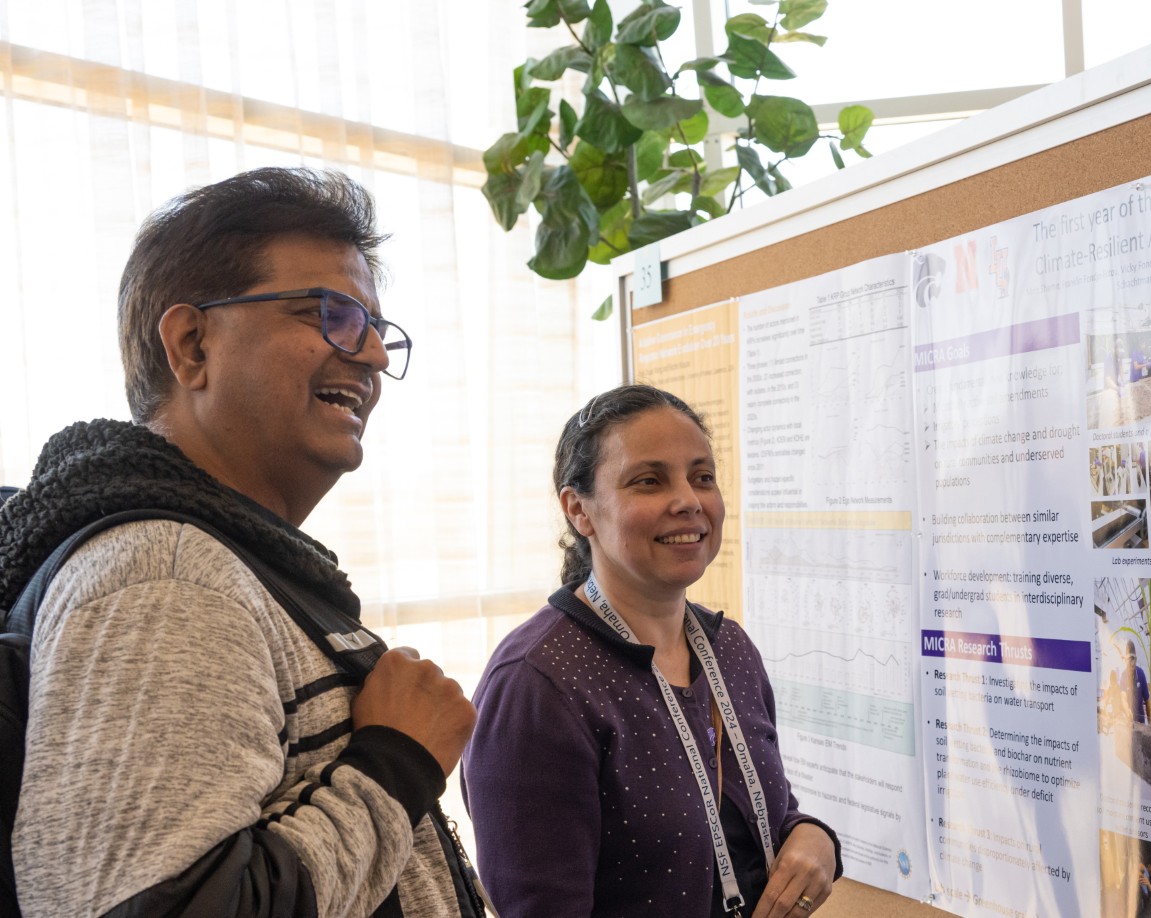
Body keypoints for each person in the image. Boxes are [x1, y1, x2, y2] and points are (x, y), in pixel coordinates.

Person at [0, 168, 479, 915]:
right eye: (329, 313)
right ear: (191, 345)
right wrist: (396, 766)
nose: (375, 357)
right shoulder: (166, 576)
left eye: (376, 330)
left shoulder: (221, 563)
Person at [462, 384, 841, 917]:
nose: (689, 500)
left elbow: (751, 816)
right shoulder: (536, 684)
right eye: (649, 481)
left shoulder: (729, 649)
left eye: (702, 477)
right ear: (579, 511)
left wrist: (810, 837)